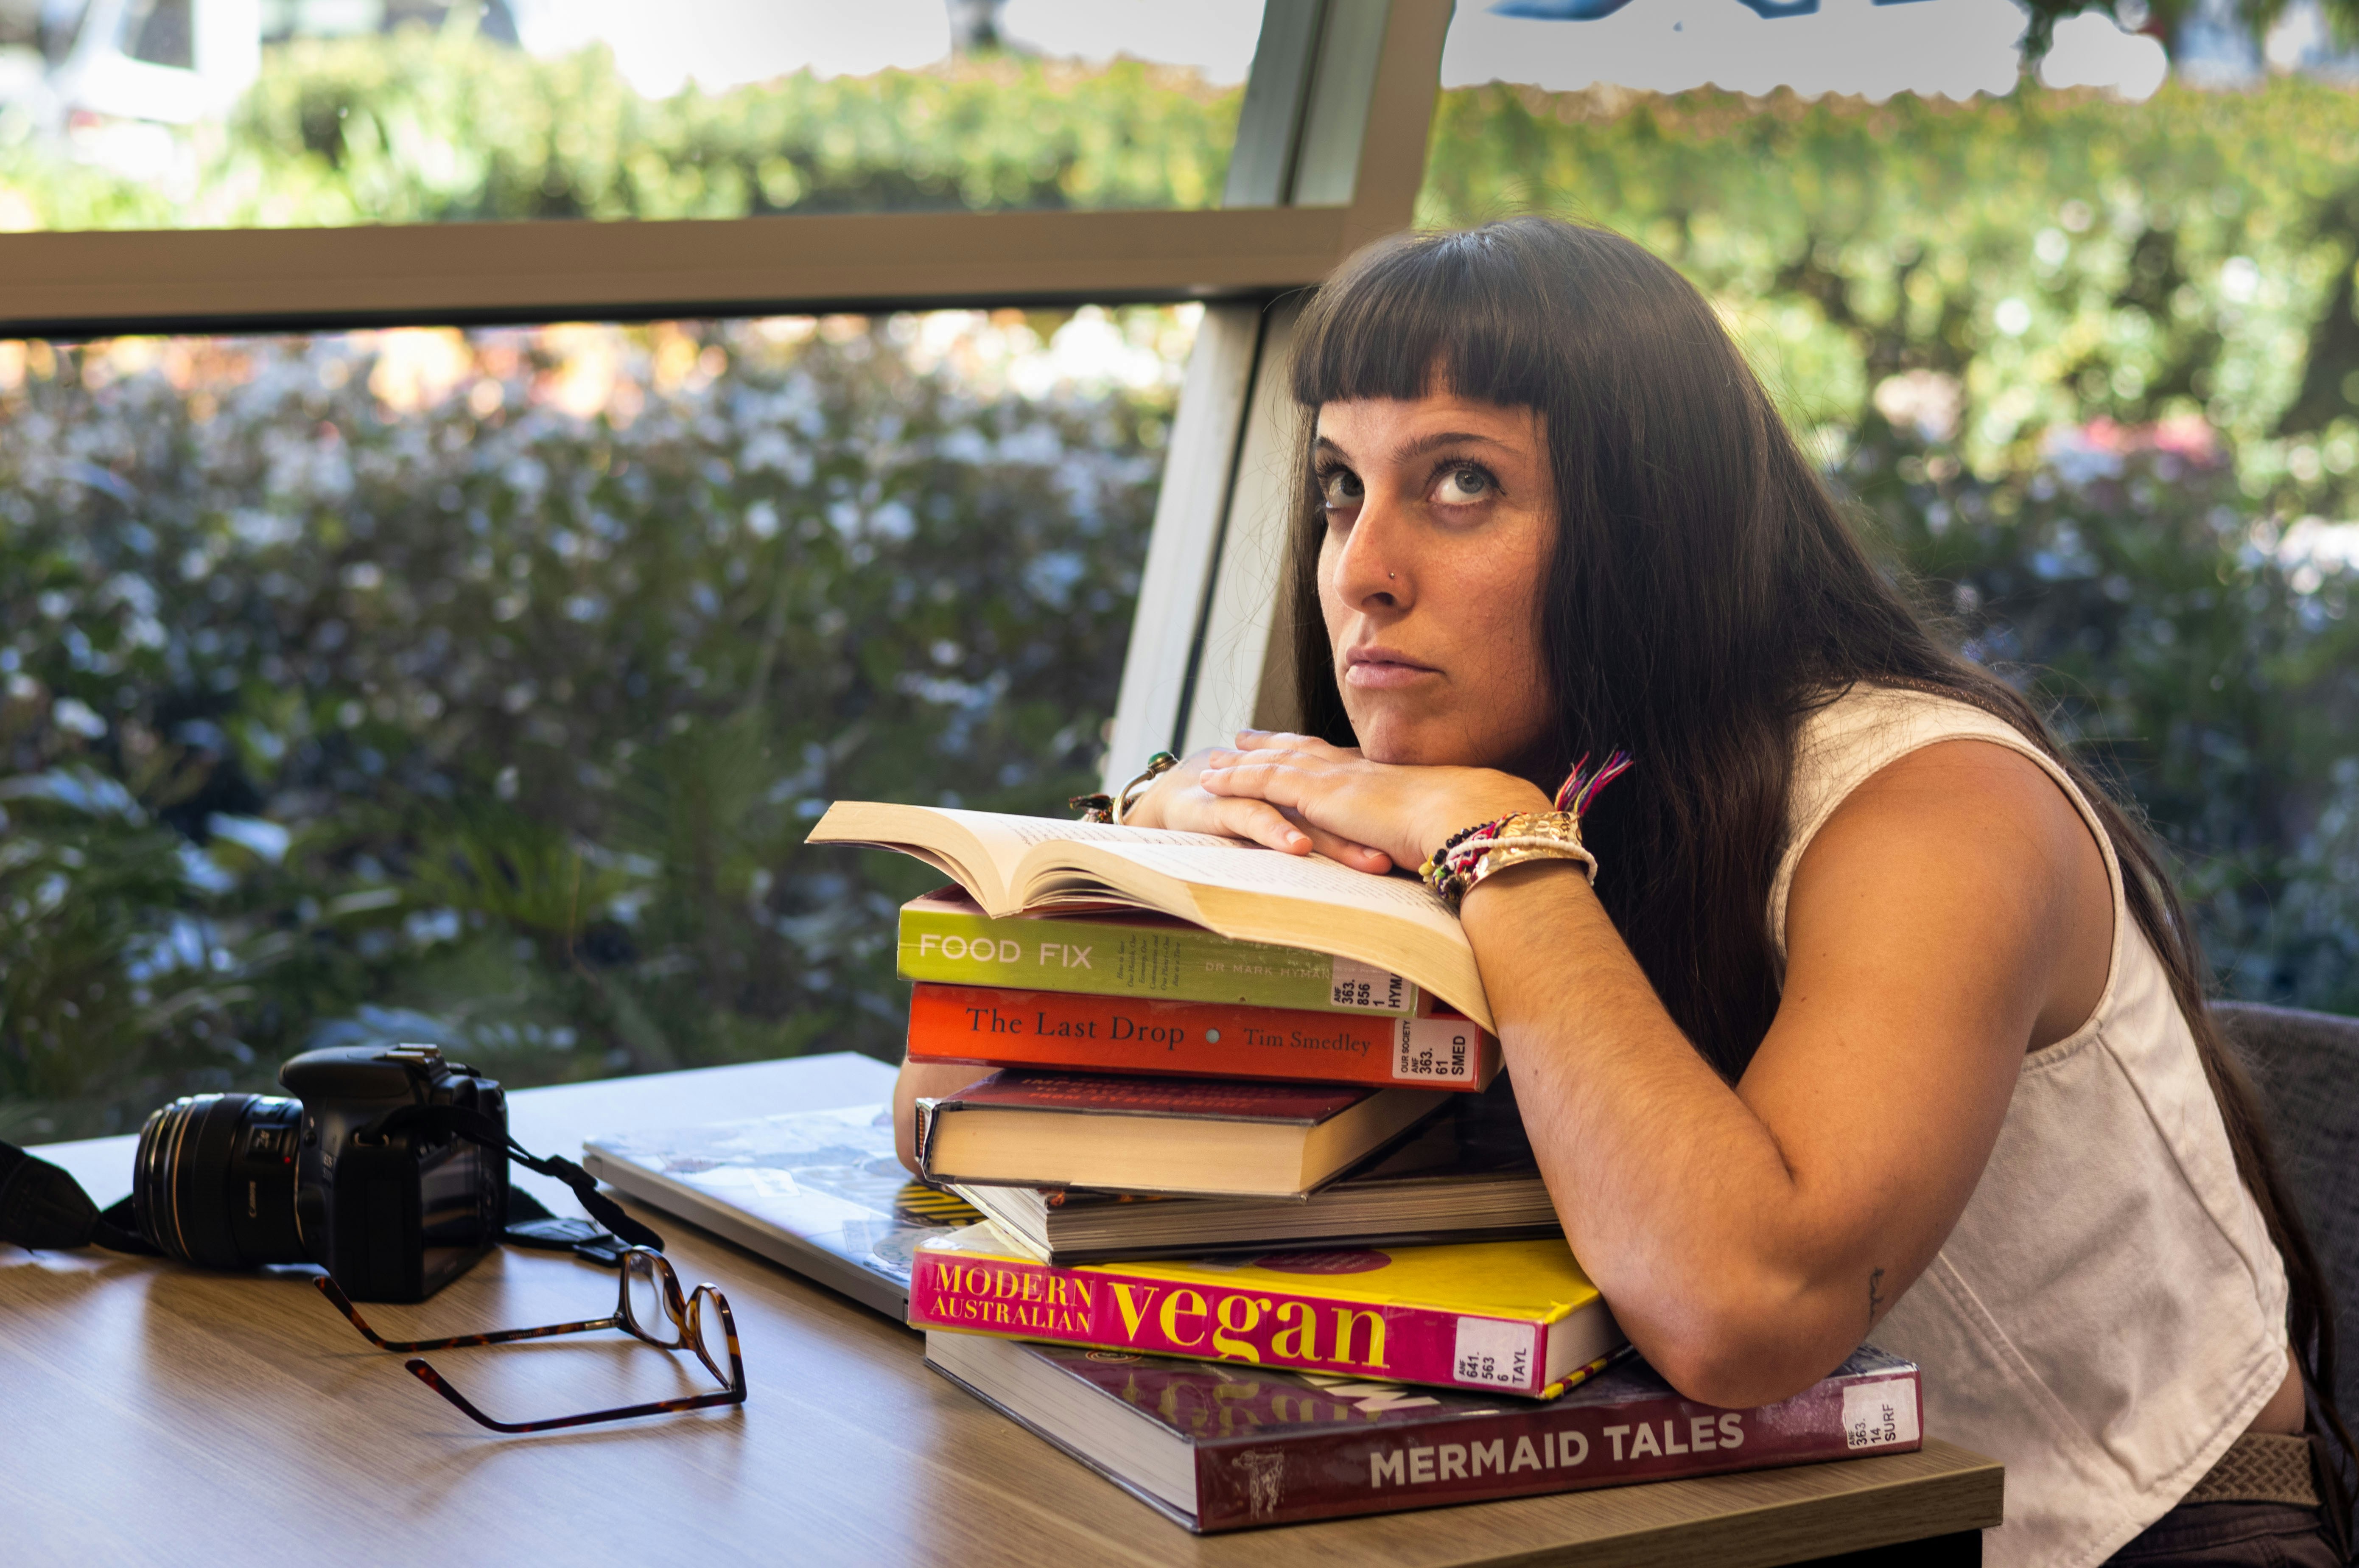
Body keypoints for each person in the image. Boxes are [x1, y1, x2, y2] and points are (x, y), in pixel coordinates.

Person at [893, 218, 2350, 1567]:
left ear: (1655, 525)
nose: (1364, 572)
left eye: (1461, 483)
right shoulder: (1485, 768)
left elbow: (1742, 1315)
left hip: (2135, 1538)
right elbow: (950, 1130)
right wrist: (1142, 868)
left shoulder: (1935, 805)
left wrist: (1497, 854)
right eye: (1344, 487)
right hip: (1706, 1509)